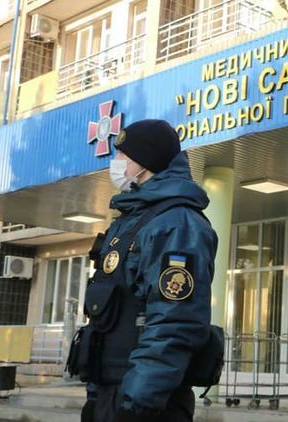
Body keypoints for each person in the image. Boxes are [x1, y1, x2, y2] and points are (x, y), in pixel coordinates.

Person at [70, 119, 217, 422]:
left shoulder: (176, 223)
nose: (116, 162)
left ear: (145, 162)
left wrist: (138, 403)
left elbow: (175, 321)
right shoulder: (132, 220)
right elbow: (109, 317)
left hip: (148, 402)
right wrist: (96, 396)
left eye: (123, 155)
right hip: (113, 391)